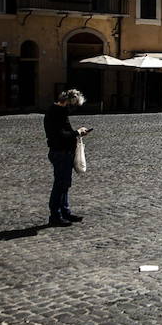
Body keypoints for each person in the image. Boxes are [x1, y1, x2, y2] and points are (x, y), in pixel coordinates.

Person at [44, 89, 90, 227]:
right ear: (68, 103)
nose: (73, 110)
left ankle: (65, 211)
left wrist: (77, 133)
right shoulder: (57, 113)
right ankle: (55, 215)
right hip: (60, 152)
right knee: (60, 185)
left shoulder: (55, 111)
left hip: (62, 151)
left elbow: (64, 132)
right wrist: (77, 132)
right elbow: (61, 134)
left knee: (64, 184)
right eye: (73, 106)